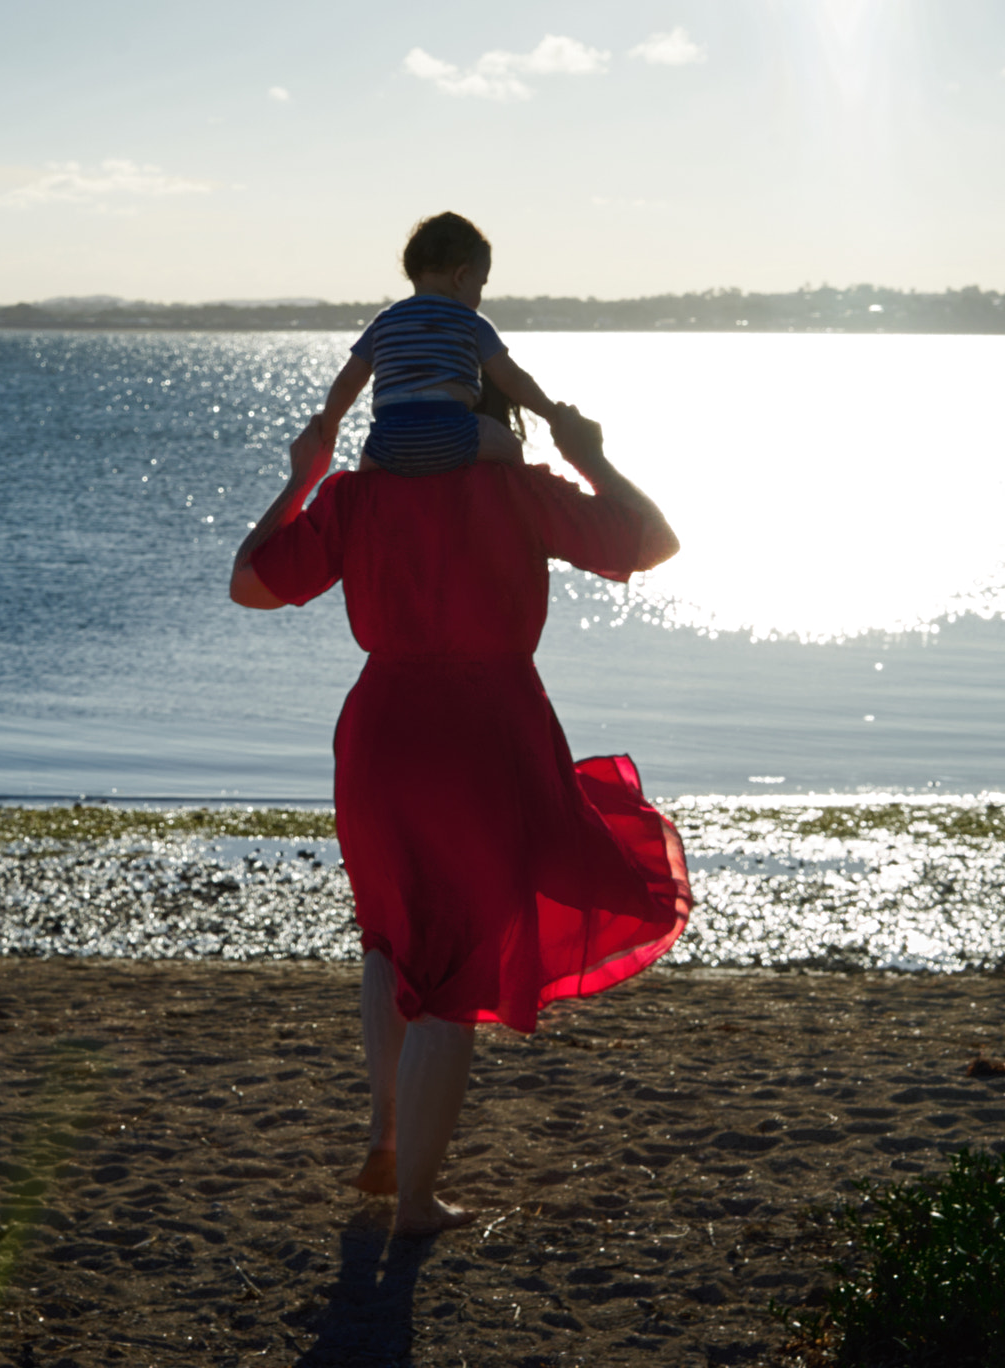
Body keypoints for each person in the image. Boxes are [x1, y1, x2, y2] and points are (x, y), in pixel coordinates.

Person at [229, 405, 688, 1238]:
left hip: (383, 728)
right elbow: (650, 541)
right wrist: (592, 458)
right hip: (486, 725)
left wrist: (302, 476)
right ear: (492, 414)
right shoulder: (516, 490)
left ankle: (386, 1136)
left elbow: (250, 582)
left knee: (389, 933)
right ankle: (414, 1201)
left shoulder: (355, 496)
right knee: (461, 960)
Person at [316, 211, 562, 477]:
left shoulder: (382, 323)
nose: (480, 295)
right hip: (453, 435)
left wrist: (327, 429)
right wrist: (552, 412)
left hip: (387, 444)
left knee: (365, 474)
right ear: (462, 277)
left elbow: (347, 382)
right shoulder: (470, 322)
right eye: (481, 284)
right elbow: (512, 379)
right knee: (509, 446)